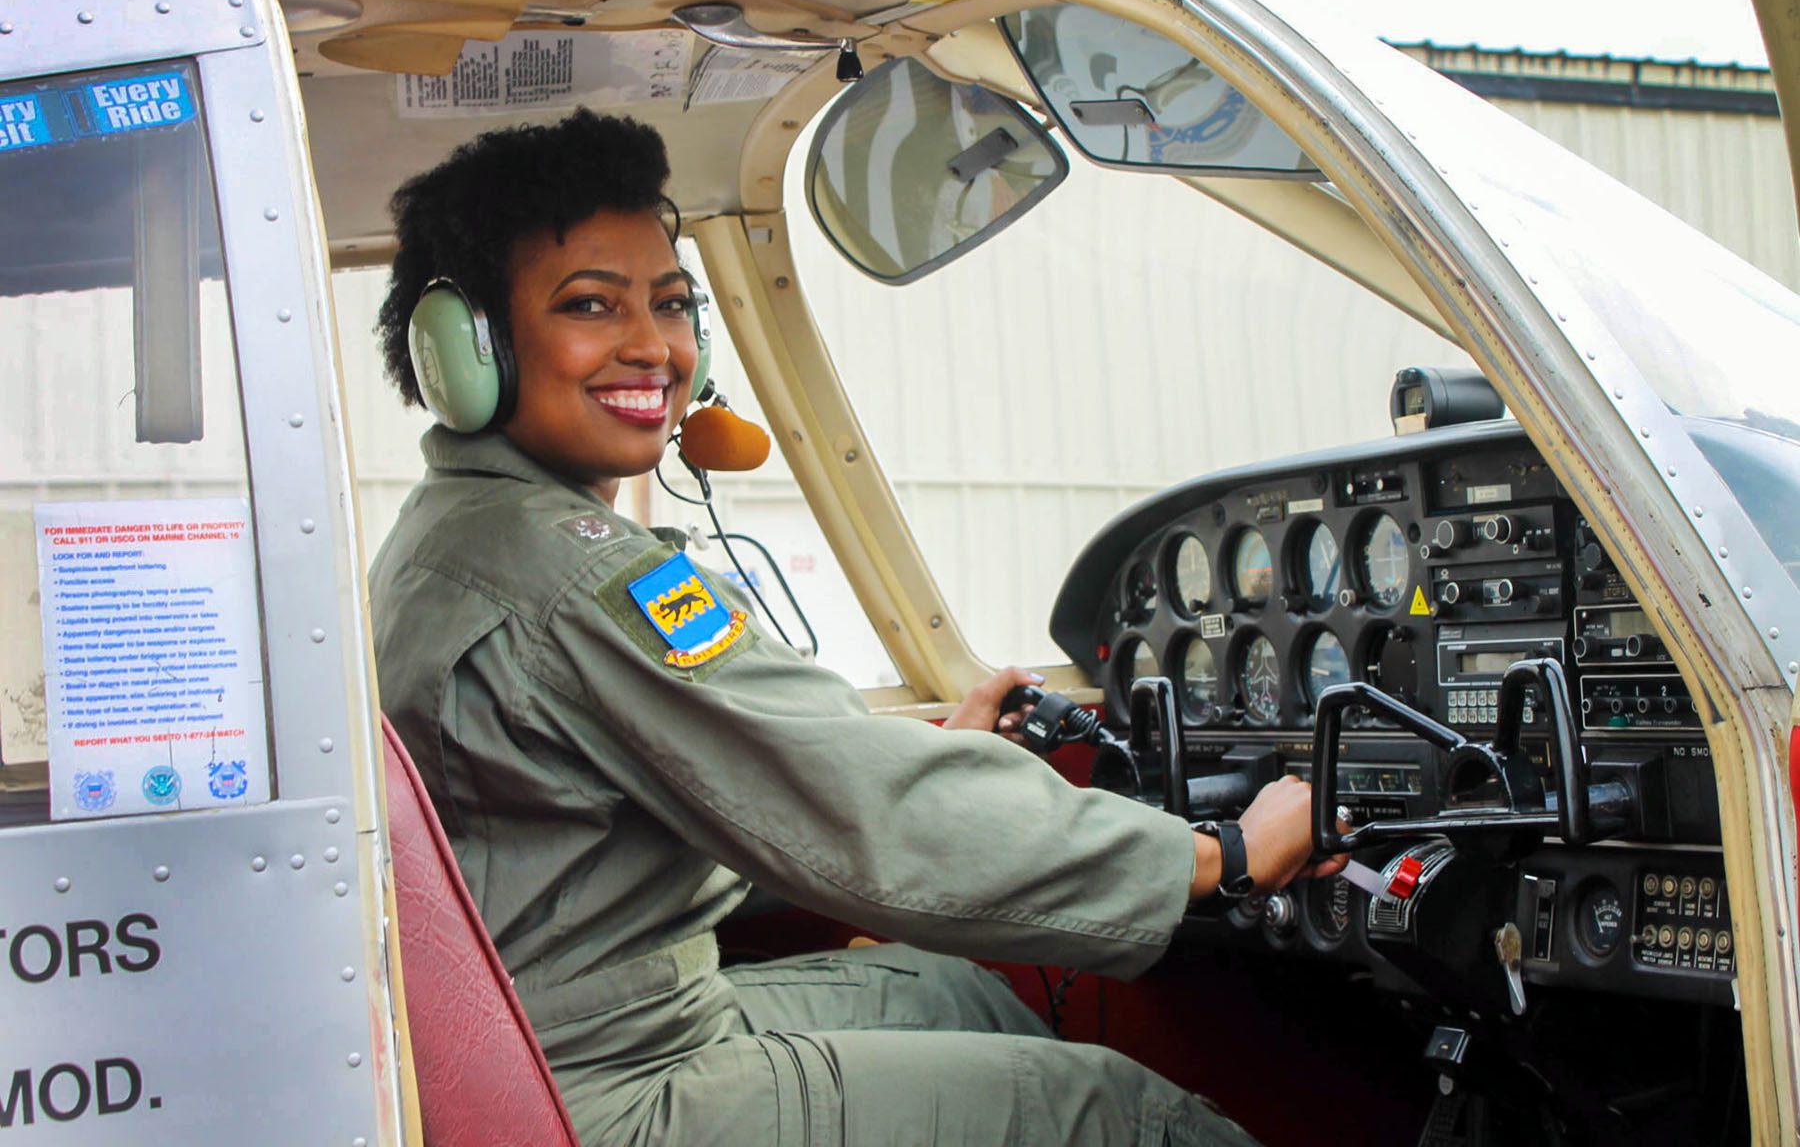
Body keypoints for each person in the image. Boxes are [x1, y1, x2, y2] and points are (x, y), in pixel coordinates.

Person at [369, 108, 1342, 1146]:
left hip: (555, 1038)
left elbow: (717, 790)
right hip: (602, 1088)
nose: (653, 347)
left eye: (671, 303)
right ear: (464, 348)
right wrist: (1219, 857)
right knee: (1121, 1115)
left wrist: (928, 758)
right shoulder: (575, 578)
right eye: (590, 305)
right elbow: (849, 806)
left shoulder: (454, 531)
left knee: (948, 993)